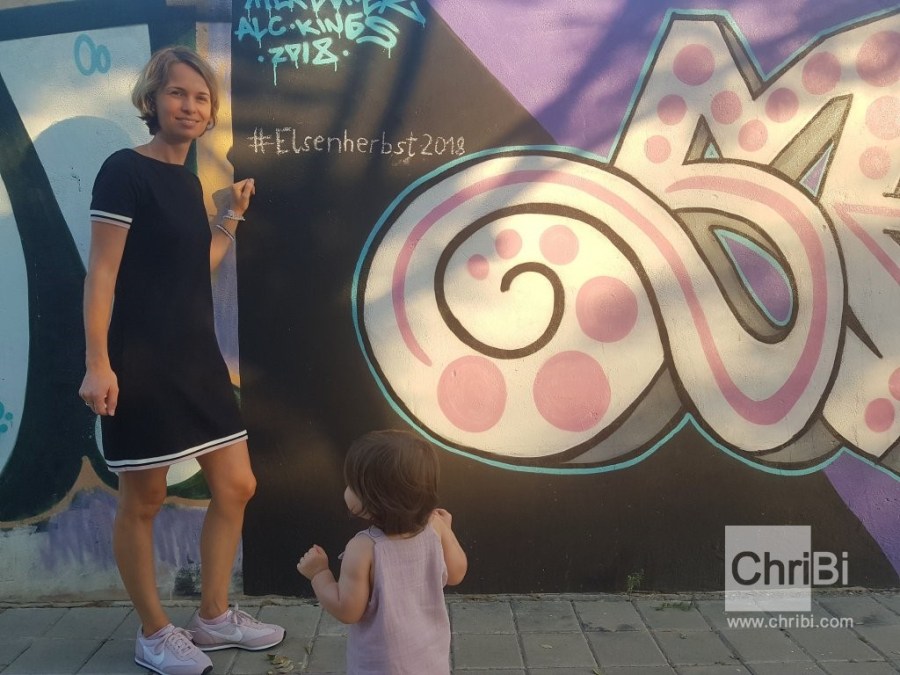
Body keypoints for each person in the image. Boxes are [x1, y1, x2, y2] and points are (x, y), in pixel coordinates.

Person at [78, 45, 284, 675]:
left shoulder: (187, 181)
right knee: (144, 499)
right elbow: (102, 273)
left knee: (237, 485)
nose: (189, 106)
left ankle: (213, 618)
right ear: (151, 100)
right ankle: (153, 633)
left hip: (196, 360)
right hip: (138, 363)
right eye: (176, 93)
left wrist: (229, 220)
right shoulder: (124, 171)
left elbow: (193, 268)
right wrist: (97, 363)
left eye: (200, 97)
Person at [297, 429, 467, 674]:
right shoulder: (436, 527)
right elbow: (456, 573)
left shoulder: (363, 548)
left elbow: (348, 610)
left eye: (352, 486)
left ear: (376, 499)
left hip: (381, 665)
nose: (346, 490)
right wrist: (447, 533)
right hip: (430, 658)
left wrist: (319, 574)